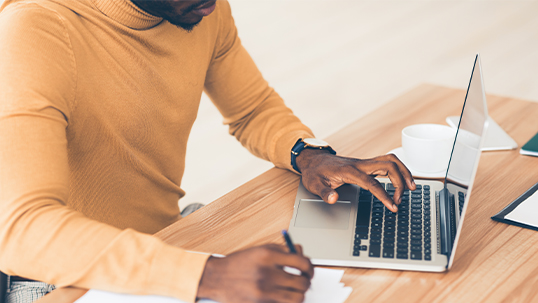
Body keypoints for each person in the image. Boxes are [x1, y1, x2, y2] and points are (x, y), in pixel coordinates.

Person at [0, 0, 415, 302]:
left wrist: (309, 154)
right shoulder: (36, 30)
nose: (213, 5)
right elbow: (21, 231)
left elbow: (252, 109)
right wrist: (207, 274)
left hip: (165, 241)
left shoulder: (200, 9)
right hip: (59, 279)